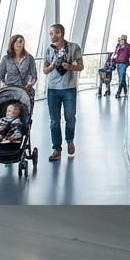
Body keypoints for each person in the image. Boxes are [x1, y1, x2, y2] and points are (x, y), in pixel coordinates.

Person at [43, 23, 83, 162]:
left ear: (60, 33)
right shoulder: (49, 50)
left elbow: (81, 66)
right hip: (53, 89)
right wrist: (52, 66)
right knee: (54, 121)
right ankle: (57, 149)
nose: (52, 35)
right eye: (50, 33)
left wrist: (70, 66)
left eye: (54, 33)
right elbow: (45, 70)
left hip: (69, 88)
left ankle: (70, 140)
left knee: (70, 117)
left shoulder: (74, 47)